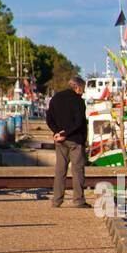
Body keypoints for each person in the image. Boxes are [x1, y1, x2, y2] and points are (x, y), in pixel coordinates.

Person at [46, 76, 88, 208]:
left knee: (60, 170)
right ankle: (78, 200)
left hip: (60, 141)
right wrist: (66, 133)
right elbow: (78, 122)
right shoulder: (78, 101)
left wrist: (57, 132)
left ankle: (57, 200)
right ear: (77, 87)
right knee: (77, 170)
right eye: (82, 89)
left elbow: (49, 118)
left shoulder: (56, 98)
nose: (83, 92)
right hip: (75, 140)